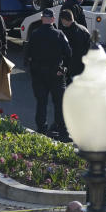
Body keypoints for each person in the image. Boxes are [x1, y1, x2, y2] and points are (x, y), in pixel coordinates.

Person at [24, 8, 72, 140]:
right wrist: (63, 69)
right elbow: (68, 53)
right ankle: (63, 133)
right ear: (52, 19)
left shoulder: (34, 34)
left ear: (42, 19)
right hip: (56, 73)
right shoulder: (59, 34)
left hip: (39, 74)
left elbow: (27, 54)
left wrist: (32, 71)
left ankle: (41, 130)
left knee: (41, 103)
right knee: (59, 104)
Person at [59, 9, 91, 84]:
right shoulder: (83, 29)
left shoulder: (68, 32)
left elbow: (71, 53)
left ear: (64, 20)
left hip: (74, 68)